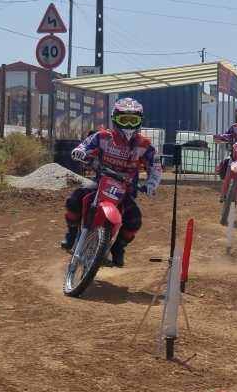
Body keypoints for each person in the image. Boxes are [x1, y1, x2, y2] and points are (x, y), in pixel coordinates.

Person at [60, 98, 162, 267]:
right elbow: (85, 146)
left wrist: (152, 184)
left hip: (126, 190)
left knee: (134, 220)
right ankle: (71, 233)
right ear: (115, 119)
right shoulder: (103, 137)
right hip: (100, 182)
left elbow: (156, 167)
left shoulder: (145, 145)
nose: (128, 125)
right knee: (75, 199)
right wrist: (80, 152)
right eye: (124, 120)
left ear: (139, 122)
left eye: (133, 120)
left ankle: (118, 247)